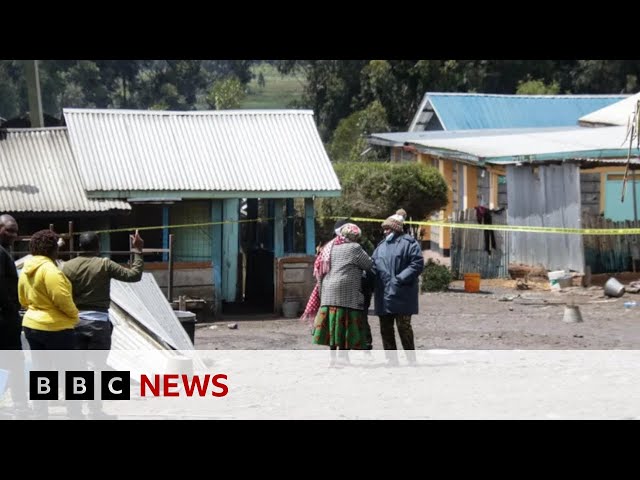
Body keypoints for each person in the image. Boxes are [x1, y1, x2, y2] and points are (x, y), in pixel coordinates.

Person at [61, 229, 144, 419]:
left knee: (75, 370)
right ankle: (94, 412)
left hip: (74, 323)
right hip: (98, 325)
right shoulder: (104, 264)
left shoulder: (66, 267)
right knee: (96, 369)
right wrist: (138, 251)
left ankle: (74, 411)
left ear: (79, 247)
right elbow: (134, 275)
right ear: (98, 247)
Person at [19, 229, 80, 419]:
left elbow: (22, 299)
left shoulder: (26, 269)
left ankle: (40, 414)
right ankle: (74, 414)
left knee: (41, 372)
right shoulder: (51, 271)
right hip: (56, 328)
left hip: (32, 325)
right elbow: (62, 299)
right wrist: (75, 316)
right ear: (53, 249)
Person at [304, 223, 373, 366]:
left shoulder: (330, 247)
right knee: (344, 325)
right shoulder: (354, 248)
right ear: (355, 236)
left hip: (328, 292)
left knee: (332, 326)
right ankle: (343, 357)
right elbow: (368, 264)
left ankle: (333, 358)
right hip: (345, 292)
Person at [371, 214, 424, 366]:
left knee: (404, 328)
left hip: (402, 294)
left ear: (395, 228)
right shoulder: (380, 247)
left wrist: (399, 279)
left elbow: (417, 264)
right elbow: (373, 266)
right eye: (384, 229)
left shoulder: (409, 244)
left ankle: (411, 360)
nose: (385, 231)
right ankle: (391, 360)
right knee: (385, 329)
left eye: (387, 228)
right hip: (384, 295)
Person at [0, 214, 30, 418]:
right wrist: (11, 309)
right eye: (9, 230)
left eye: (16, 231)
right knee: (14, 362)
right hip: (4, 318)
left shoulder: (4, 252)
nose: (14, 235)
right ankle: (20, 405)